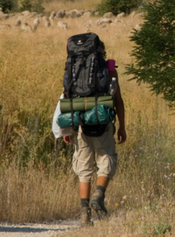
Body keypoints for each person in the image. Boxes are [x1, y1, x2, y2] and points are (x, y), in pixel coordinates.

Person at [63, 48, 126, 225]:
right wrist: (122, 127)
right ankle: (98, 195)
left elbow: (65, 98)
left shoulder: (74, 70)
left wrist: (66, 129)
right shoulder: (110, 69)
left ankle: (85, 214)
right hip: (103, 124)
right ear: (101, 52)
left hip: (82, 126)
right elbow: (118, 100)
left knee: (84, 170)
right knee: (107, 160)